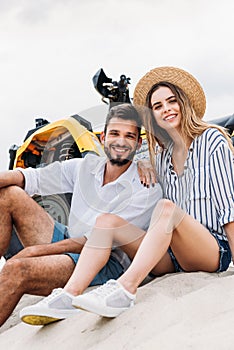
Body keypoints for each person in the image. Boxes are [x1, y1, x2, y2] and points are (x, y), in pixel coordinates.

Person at [67, 66, 234, 318]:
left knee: (166, 208)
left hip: (212, 250)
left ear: (183, 104)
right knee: (107, 222)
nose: (166, 109)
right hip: (174, 256)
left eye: (171, 101)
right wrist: (143, 163)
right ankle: (68, 295)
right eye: (157, 106)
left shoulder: (212, 141)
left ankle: (125, 288)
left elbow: (228, 210)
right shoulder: (163, 157)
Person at [0, 103, 162, 326]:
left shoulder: (146, 188)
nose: (121, 141)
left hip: (104, 261)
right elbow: (31, 178)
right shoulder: (85, 167)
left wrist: (34, 252)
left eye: (129, 136)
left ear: (138, 143)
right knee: (9, 194)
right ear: (103, 137)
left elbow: (95, 241)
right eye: (114, 133)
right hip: (68, 239)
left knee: (16, 269)